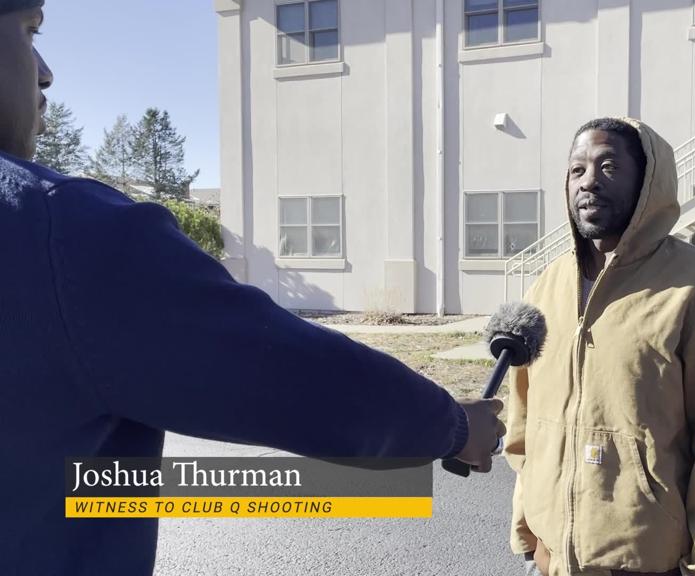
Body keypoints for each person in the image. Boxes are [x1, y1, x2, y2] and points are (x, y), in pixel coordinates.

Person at [0, 2, 504, 574]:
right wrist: (454, 426)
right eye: (29, 30)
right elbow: (292, 377)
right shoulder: (60, 230)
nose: (44, 71)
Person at [504, 118, 695, 576]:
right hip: (549, 562)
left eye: (609, 167)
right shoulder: (547, 287)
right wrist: (528, 535)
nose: (588, 180)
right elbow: (525, 422)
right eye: (577, 169)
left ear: (648, 182)